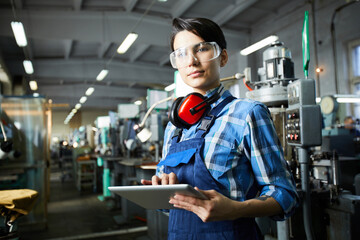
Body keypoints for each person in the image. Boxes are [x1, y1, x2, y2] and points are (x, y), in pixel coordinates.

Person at [141, 17, 298, 239]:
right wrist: (162, 191)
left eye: (202, 49)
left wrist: (236, 209)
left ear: (222, 57)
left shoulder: (247, 114)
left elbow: (285, 195)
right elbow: (170, 206)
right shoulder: (175, 127)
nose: (191, 61)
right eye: (181, 53)